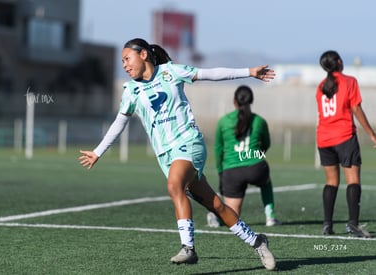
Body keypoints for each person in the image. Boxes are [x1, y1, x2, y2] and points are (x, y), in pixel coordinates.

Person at [79, 38, 276, 270]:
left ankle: (188, 248)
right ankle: (257, 241)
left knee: (174, 186)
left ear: (143, 55)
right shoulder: (130, 90)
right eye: (122, 61)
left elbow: (210, 74)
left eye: (127, 58)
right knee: (216, 206)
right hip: (165, 156)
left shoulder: (171, 72)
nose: (124, 65)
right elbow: (118, 123)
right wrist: (98, 152)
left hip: (189, 143)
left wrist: (249, 72)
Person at [316, 50, 376, 238]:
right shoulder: (349, 81)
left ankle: (327, 225)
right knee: (353, 180)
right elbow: (355, 108)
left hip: (324, 139)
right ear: (340, 62)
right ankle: (353, 225)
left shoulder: (321, 86)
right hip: (344, 137)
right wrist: (372, 134)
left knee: (331, 181)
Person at [207, 85, 281, 228]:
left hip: (232, 171)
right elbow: (266, 144)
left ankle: (216, 219)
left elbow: (218, 150)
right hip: (256, 168)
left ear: (234, 101)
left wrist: (221, 171)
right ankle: (270, 217)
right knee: (265, 181)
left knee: (232, 217)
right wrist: (256, 157)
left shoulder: (224, 121)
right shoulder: (259, 121)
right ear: (251, 101)